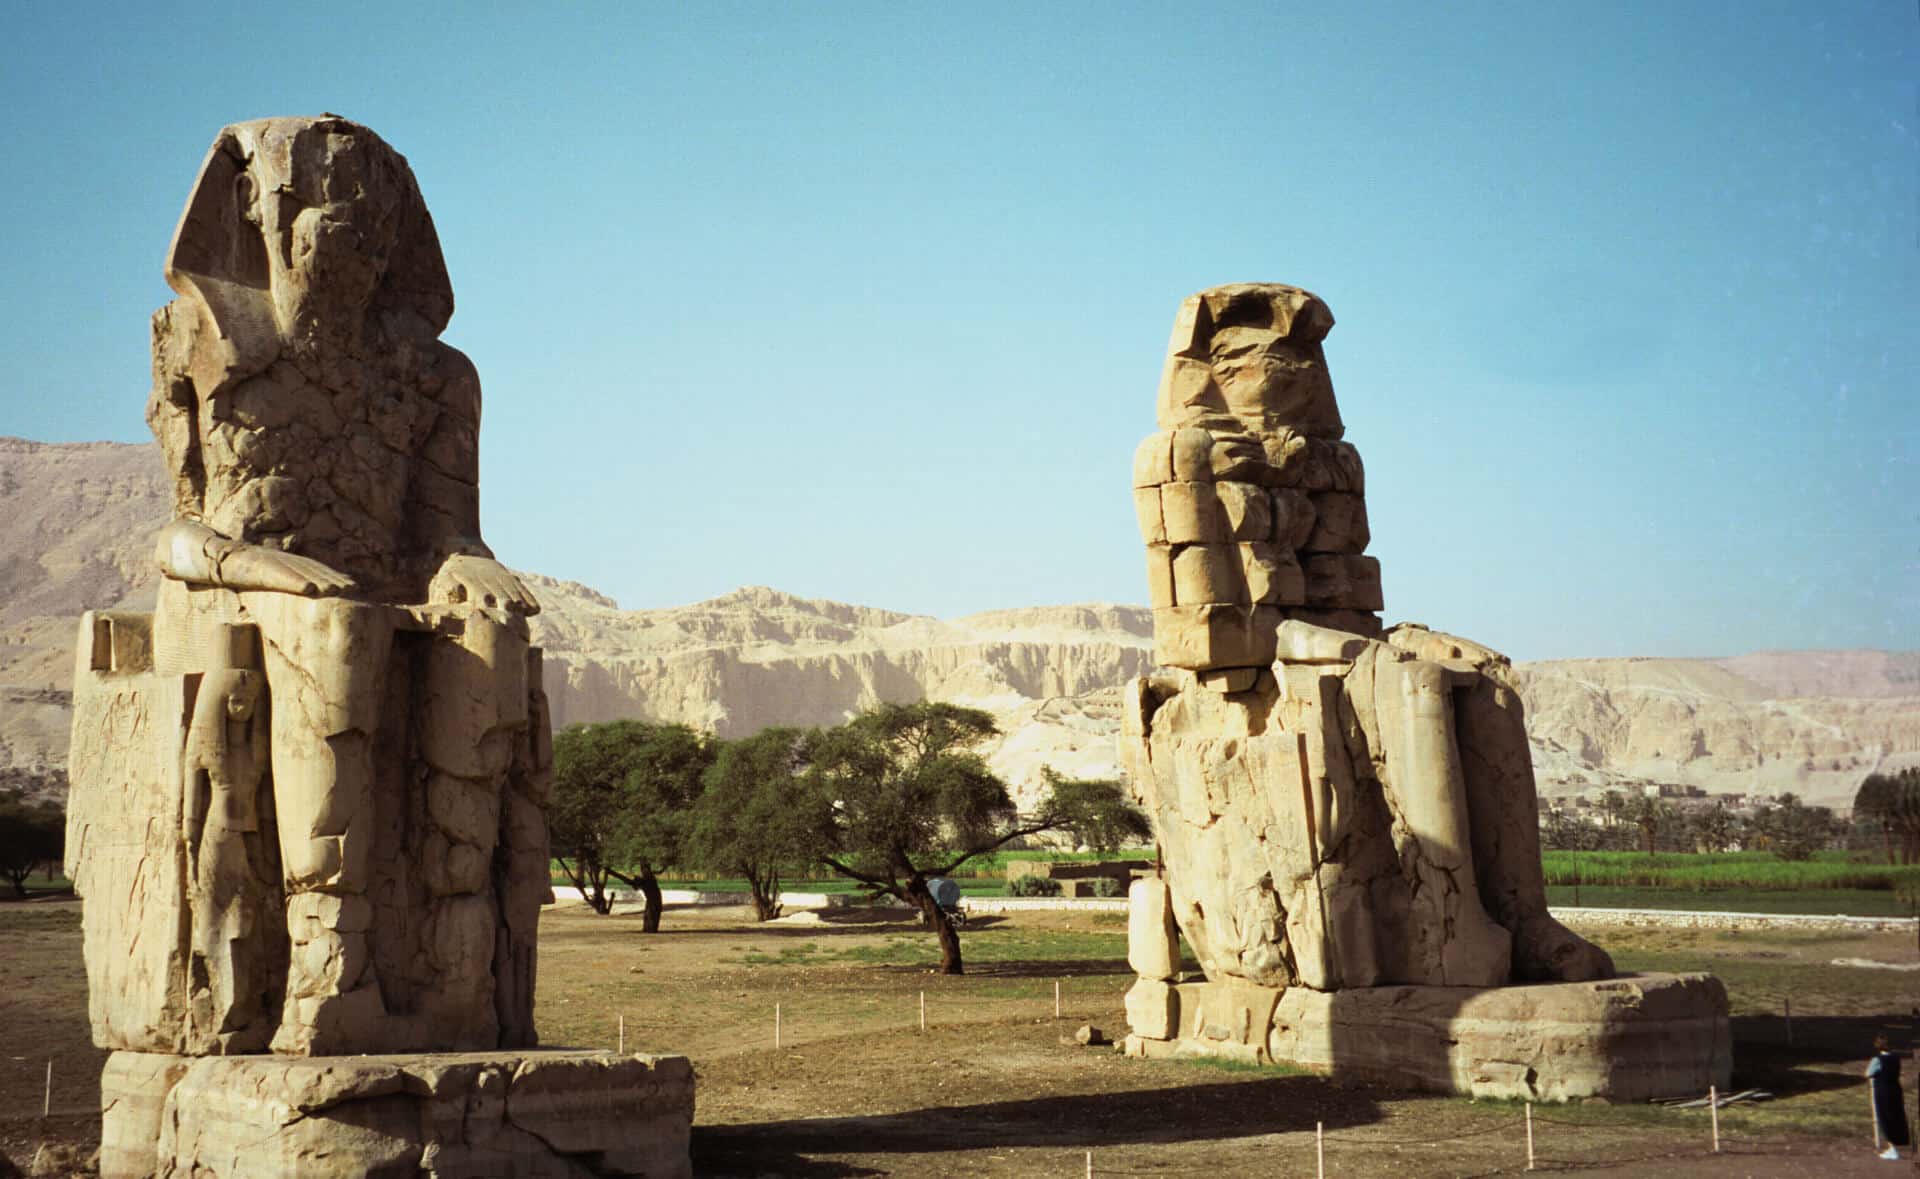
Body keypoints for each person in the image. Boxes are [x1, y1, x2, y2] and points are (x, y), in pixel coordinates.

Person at [1868, 1034, 1910, 1161]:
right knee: (1896, 1117)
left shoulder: (1877, 1059)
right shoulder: (1896, 1058)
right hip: (1896, 1090)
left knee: (1885, 1118)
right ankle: (1895, 1146)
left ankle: (1892, 1149)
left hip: (1883, 1092)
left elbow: (1868, 1073)